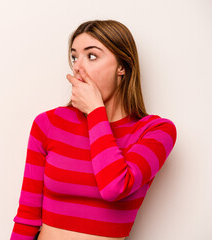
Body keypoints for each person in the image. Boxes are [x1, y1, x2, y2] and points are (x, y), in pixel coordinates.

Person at [10, 19, 177, 240]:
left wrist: (96, 111)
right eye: (74, 57)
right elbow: (27, 217)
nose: (78, 66)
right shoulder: (48, 124)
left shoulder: (156, 131)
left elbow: (114, 187)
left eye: (91, 56)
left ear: (122, 67)